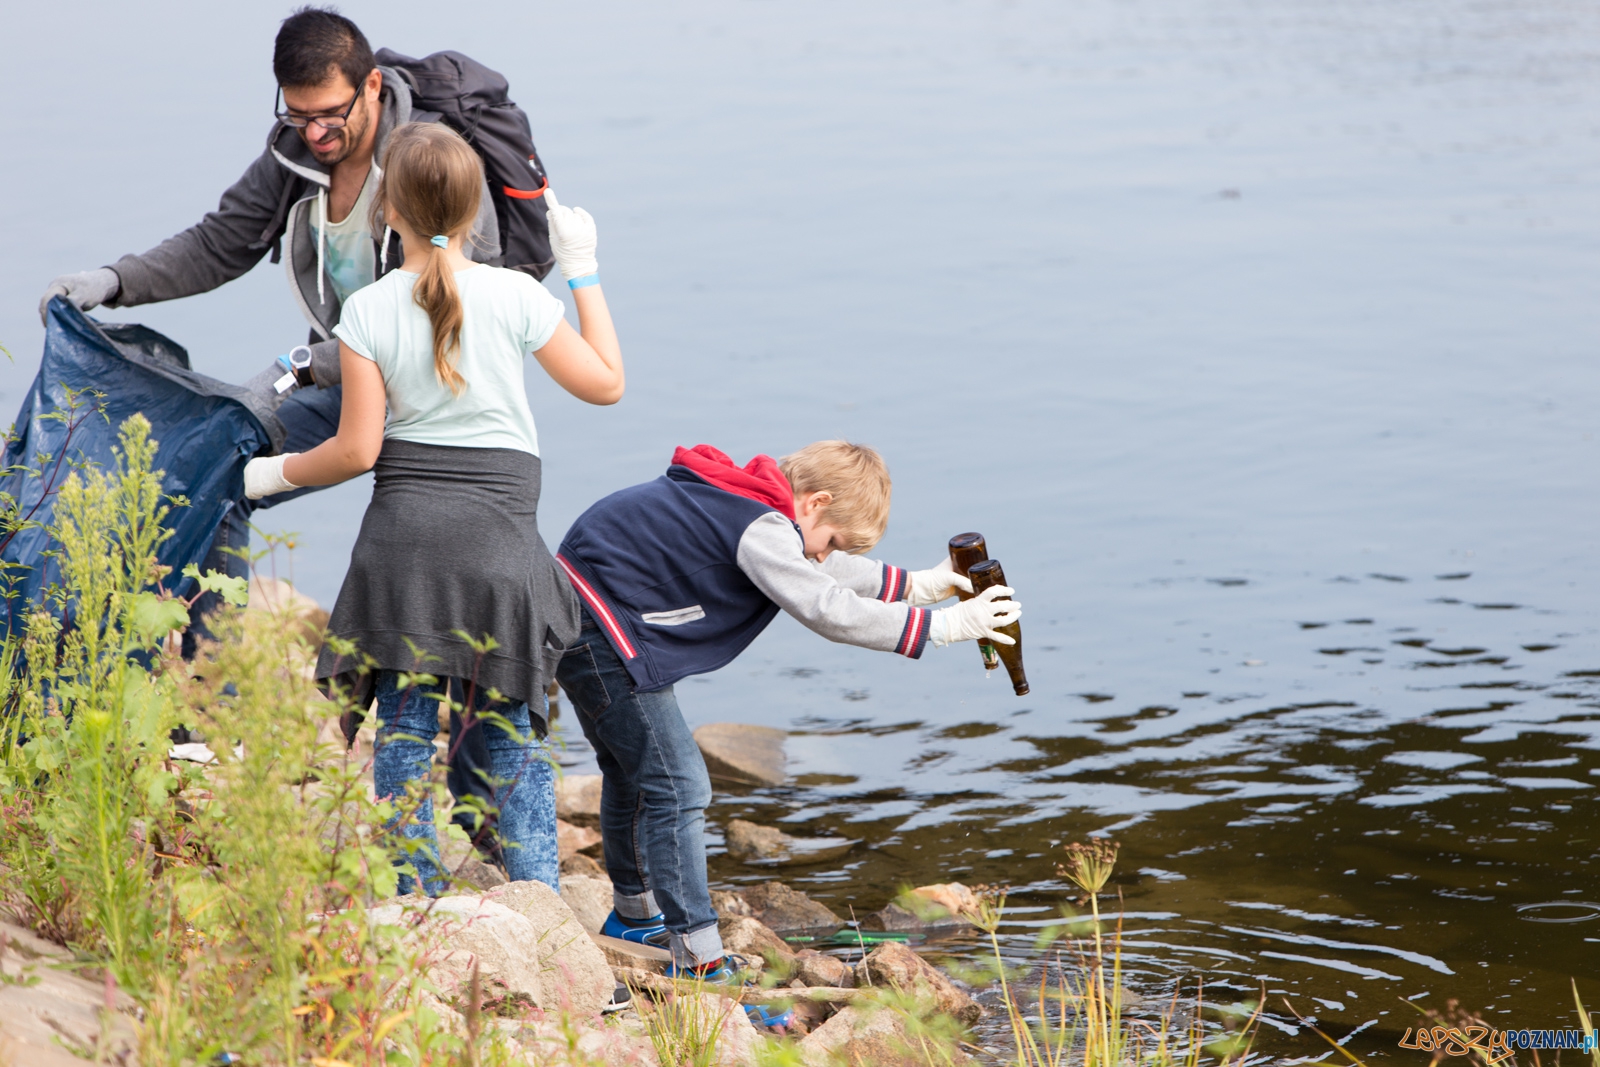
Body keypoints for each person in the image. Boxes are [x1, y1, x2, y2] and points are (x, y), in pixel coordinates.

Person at [37, 7, 546, 638]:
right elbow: (221, 241)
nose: (316, 132)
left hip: (442, 391)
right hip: (344, 385)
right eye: (298, 114)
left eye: (330, 113)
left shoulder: (432, 155)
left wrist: (304, 366)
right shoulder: (295, 153)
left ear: (373, 86)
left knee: (463, 581)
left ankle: (491, 716)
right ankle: (215, 696)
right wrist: (111, 282)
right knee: (217, 477)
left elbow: (464, 291)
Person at [241, 121, 622, 894]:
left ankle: (414, 894)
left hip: (404, 542)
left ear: (387, 210)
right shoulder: (518, 293)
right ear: (478, 210)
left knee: (406, 729)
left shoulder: (368, 313)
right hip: (499, 542)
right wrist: (580, 269)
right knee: (511, 728)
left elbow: (356, 450)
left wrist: (271, 474)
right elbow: (607, 382)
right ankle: (540, 900)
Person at [552, 441, 1021, 1028]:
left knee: (635, 773)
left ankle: (635, 915)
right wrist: (944, 626)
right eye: (833, 539)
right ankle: (696, 963)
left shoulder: (752, 505)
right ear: (816, 502)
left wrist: (923, 585)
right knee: (679, 786)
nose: (828, 554)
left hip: (584, 614)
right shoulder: (760, 527)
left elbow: (819, 568)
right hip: (603, 628)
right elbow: (824, 604)